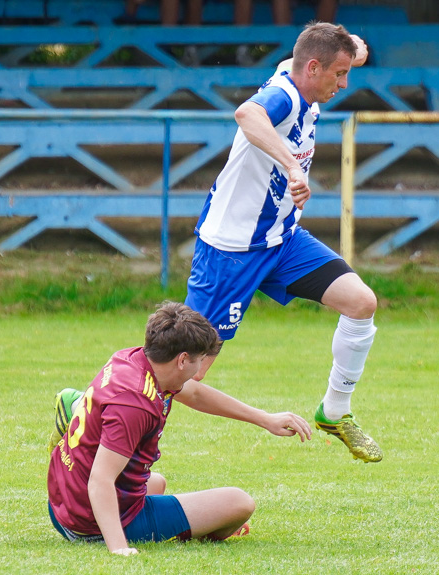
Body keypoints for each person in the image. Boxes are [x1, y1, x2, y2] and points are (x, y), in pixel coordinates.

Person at [184, 22, 381, 463]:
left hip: (281, 241)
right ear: (313, 67)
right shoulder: (284, 97)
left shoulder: (305, 76)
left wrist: (355, 47)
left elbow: (341, 53)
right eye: (339, 74)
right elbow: (247, 115)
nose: (344, 83)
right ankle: (90, 403)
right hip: (231, 252)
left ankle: (335, 411)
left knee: (361, 302)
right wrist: (292, 166)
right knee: (181, 375)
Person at [46, 302, 312, 556]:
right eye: (200, 360)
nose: (201, 370)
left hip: (63, 503)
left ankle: (74, 403)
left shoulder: (132, 359)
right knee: (238, 503)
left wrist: (265, 419)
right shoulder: (135, 404)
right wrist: (118, 548)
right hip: (86, 522)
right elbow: (101, 479)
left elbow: (194, 394)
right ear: (183, 360)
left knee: (157, 482)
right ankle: (120, 531)